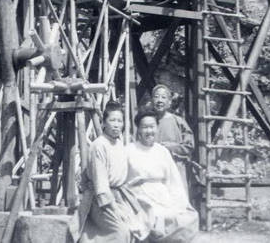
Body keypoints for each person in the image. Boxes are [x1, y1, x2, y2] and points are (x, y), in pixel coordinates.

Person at [75, 101, 148, 243]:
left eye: (119, 121)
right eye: (112, 120)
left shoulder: (120, 144)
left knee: (142, 225)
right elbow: (101, 186)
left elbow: (126, 176)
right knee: (121, 231)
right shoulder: (99, 145)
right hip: (100, 201)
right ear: (104, 122)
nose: (116, 124)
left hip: (119, 196)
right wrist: (116, 210)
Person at [127, 108, 199, 243]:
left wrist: (180, 202)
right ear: (138, 130)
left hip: (161, 195)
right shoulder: (129, 150)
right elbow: (122, 180)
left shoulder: (162, 151)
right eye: (145, 127)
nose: (149, 131)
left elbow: (174, 181)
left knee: (186, 217)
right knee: (152, 217)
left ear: (157, 128)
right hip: (138, 196)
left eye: (152, 127)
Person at [150, 84, 194, 189]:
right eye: (156, 97)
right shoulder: (147, 122)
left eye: (163, 97)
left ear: (169, 102)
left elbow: (189, 146)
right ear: (152, 100)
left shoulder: (178, 121)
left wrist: (171, 147)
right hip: (153, 170)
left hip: (176, 169)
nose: (159, 100)